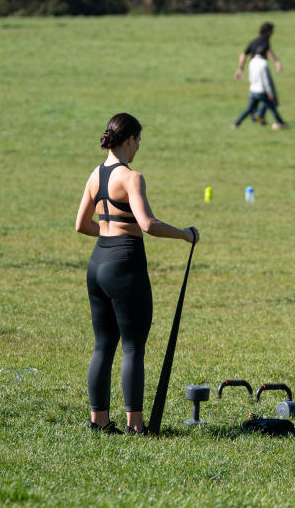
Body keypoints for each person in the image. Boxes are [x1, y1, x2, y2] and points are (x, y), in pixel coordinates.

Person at [75, 113, 199, 434]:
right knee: (132, 347)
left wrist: (107, 230)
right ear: (130, 140)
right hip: (125, 265)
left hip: (97, 263)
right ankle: (136, 425)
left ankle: (99, 422)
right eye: (139, 141)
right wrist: (186, 234)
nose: (138, 148)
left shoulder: (95, 175)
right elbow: (148, 224)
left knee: (103, 345)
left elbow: (81, 225)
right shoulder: (131, 177)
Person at [234, 22, 286, 130]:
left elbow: (243, 54)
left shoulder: (253, 43)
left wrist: (240, 68)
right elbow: (266, 80)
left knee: (251, 106)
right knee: (270, 102)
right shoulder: (265, 48)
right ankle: (278, 122)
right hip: (260, 82)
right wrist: (276, 61)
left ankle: (245, 121)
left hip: (253, 81)